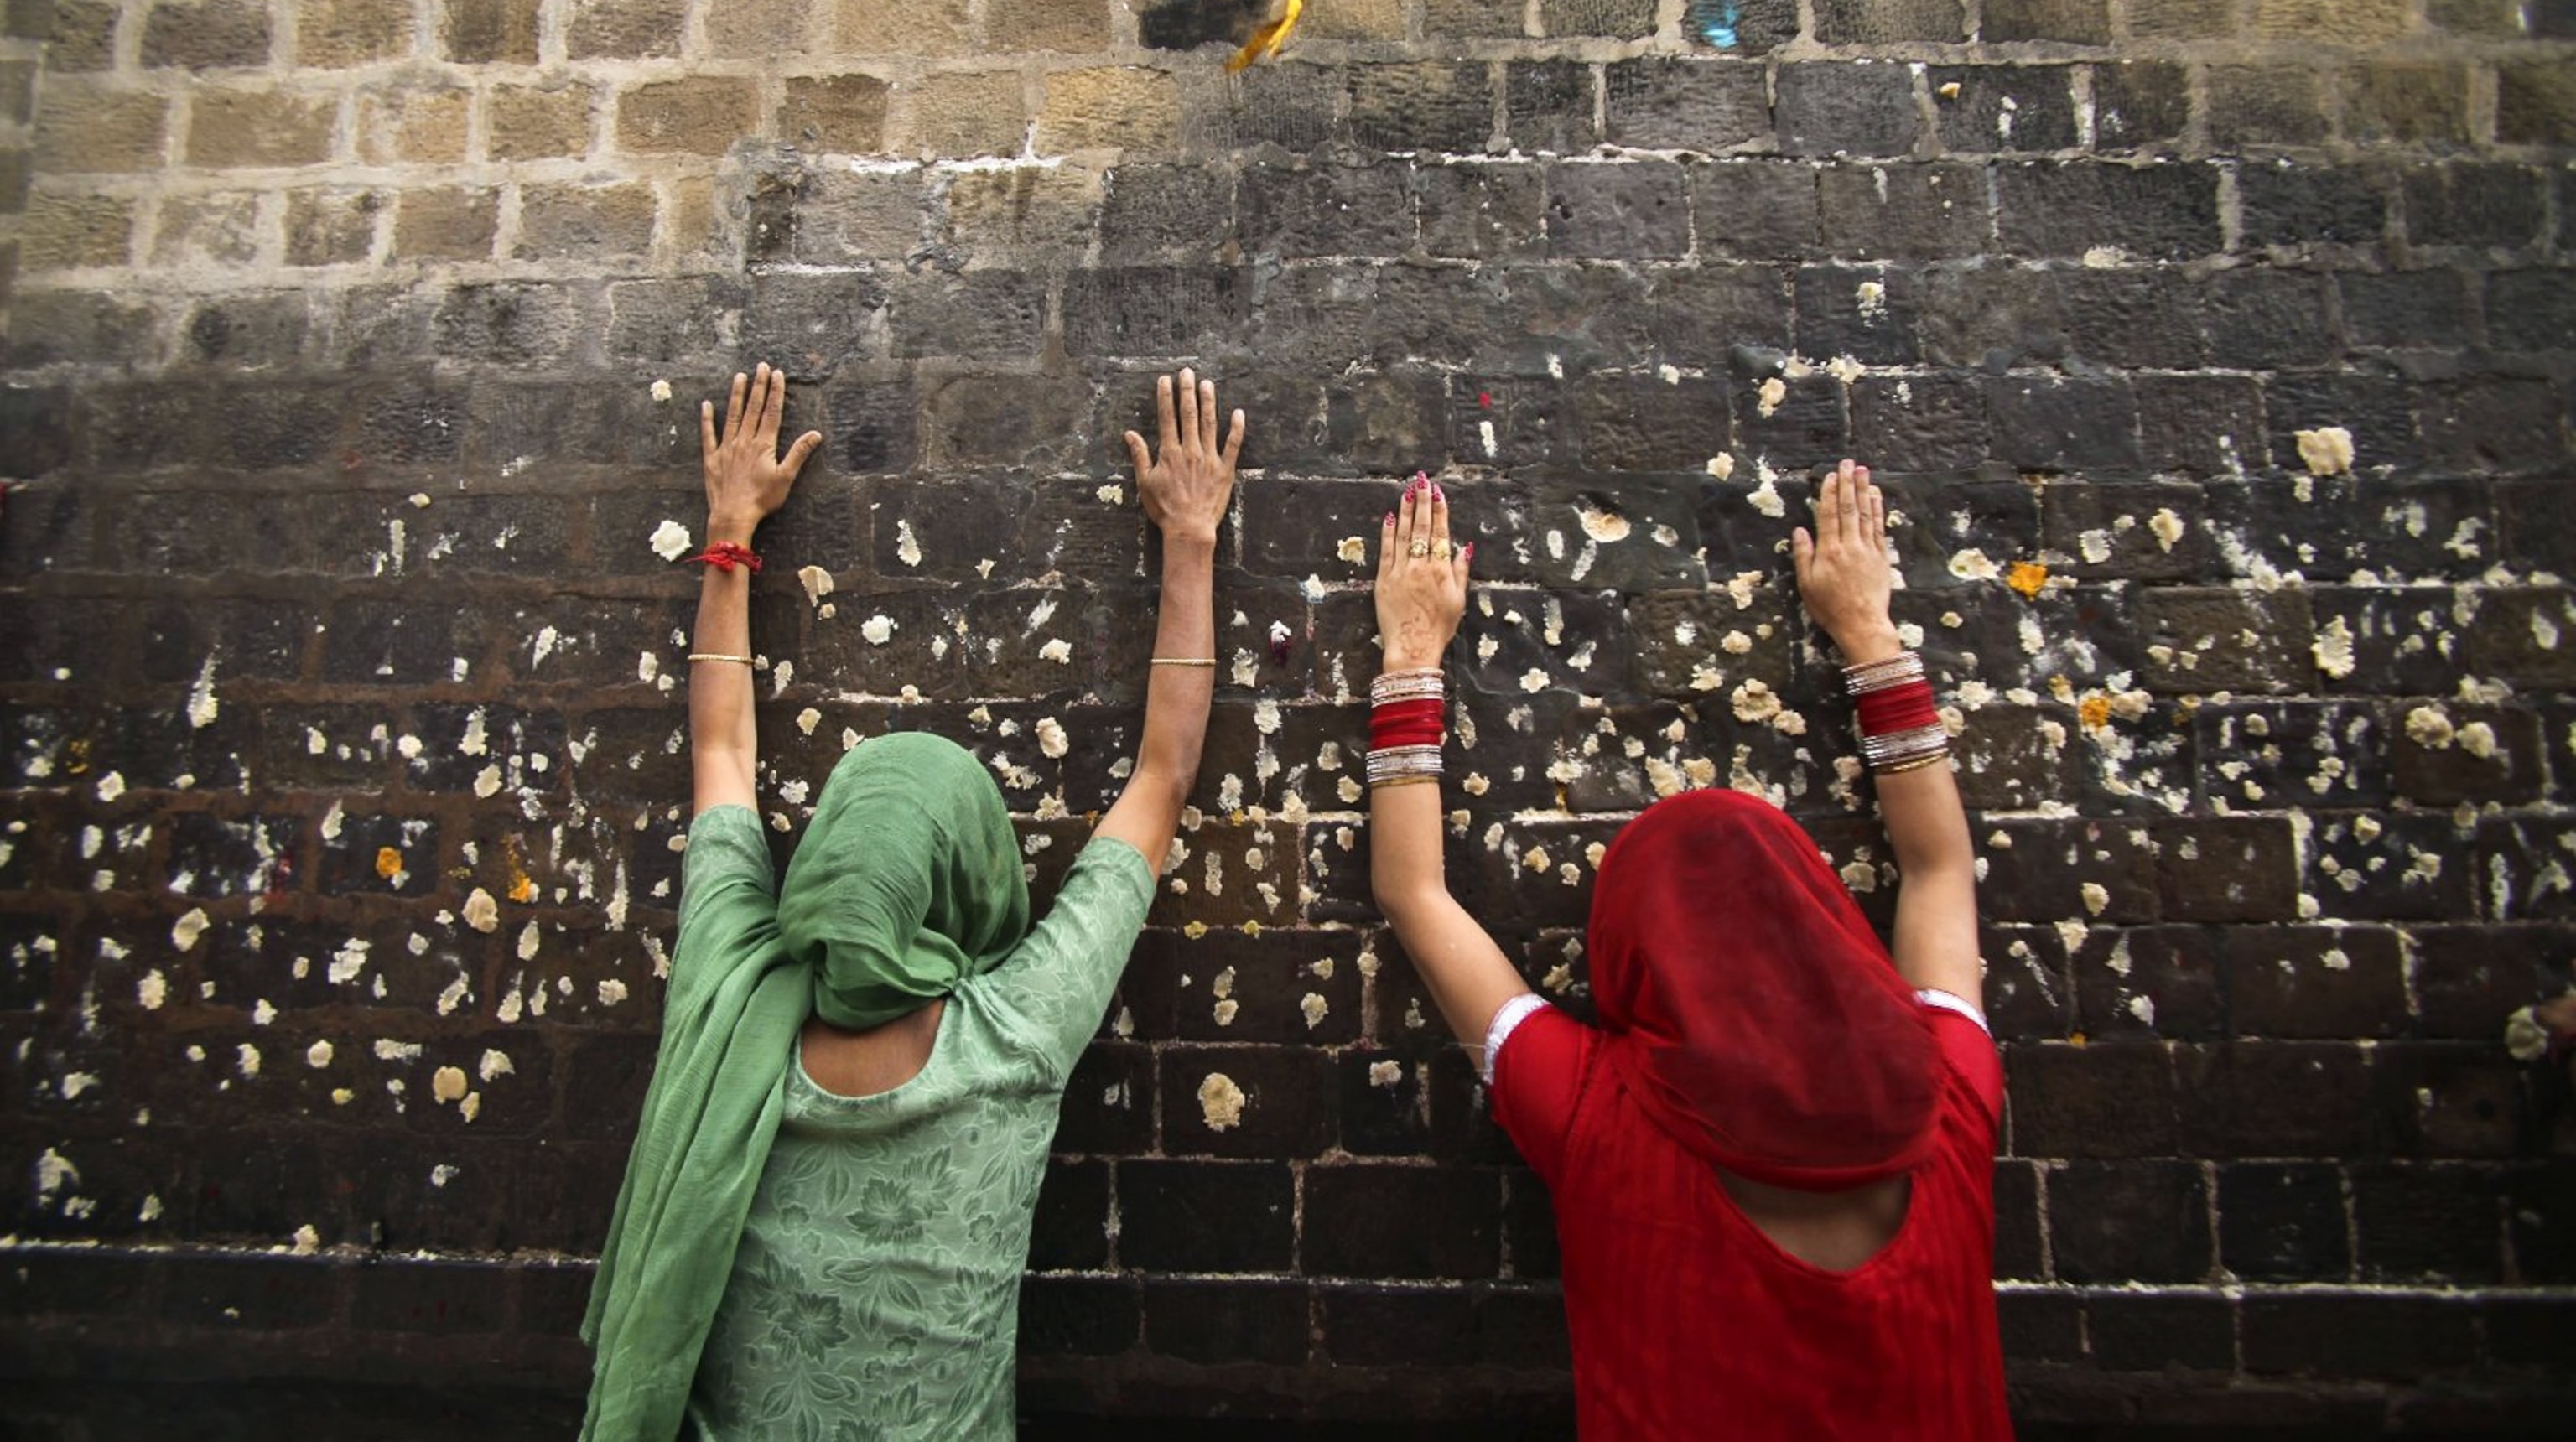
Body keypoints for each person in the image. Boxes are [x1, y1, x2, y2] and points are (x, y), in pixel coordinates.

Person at [581, 363, 1244, 1441]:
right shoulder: (1016, 1034)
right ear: (973, 879)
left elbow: (721, 748)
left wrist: (730, 530)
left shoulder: (731, 983)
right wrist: (1191, 540)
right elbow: (1161, 780)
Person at [1363, 463, 2010, 1439]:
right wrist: (1868, 630)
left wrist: (1412, 650)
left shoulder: (1599, 1122)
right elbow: (1939, 870)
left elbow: (1413, 892)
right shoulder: (1949, 1102)